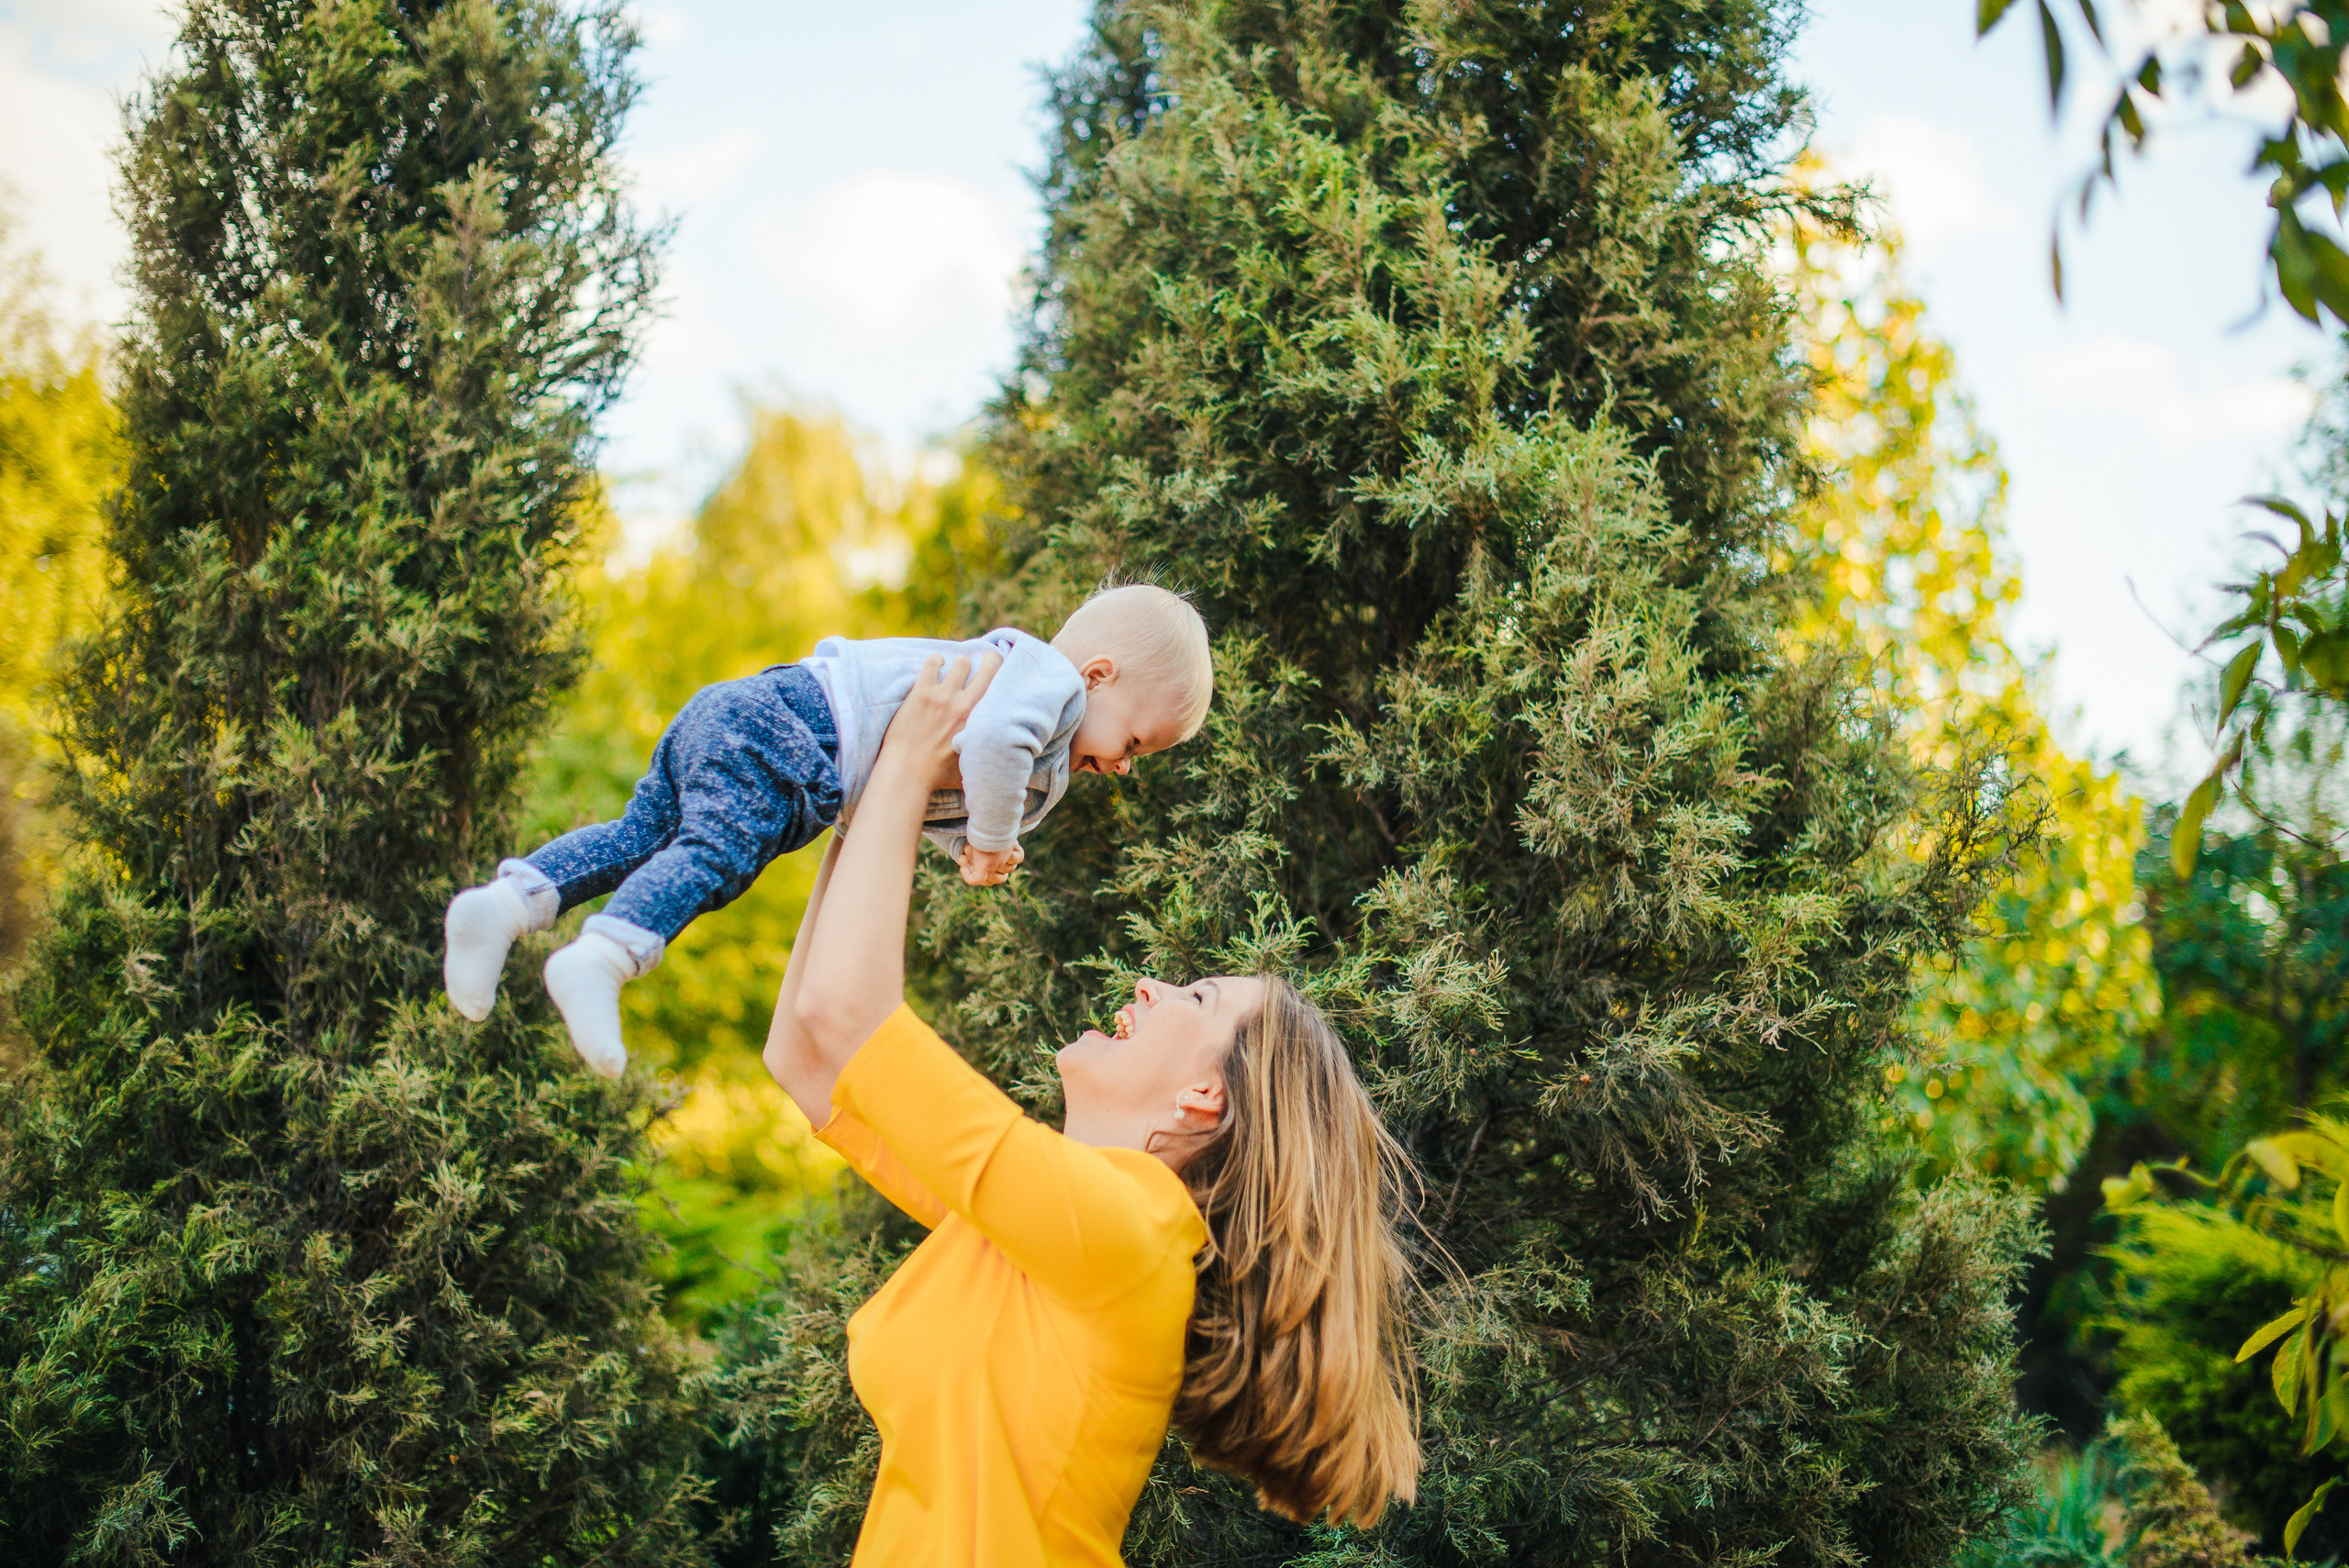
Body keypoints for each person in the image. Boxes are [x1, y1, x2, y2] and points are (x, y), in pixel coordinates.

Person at [764, 651, 1423, 1566]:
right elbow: (804, 1055)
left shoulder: (1126, 1233)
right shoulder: (1051, 1224)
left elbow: (845, 1013)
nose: (1152, 983)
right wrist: (866, 783)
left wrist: (910, 763)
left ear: (1207, 1095)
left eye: (1197, 998)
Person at [440, 583, 1213, 1076]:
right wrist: (989, 835)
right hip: (791, 732)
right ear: (1100, 675)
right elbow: (989, 749)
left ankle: (509, 903)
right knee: (719, 850)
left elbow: (928, 791)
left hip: (754, 709)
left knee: (641, 836)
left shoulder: (1031, 707)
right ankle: (606, 956)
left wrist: (966, 850)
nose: (1124, 767)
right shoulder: (1049, 683)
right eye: (1137, 743)